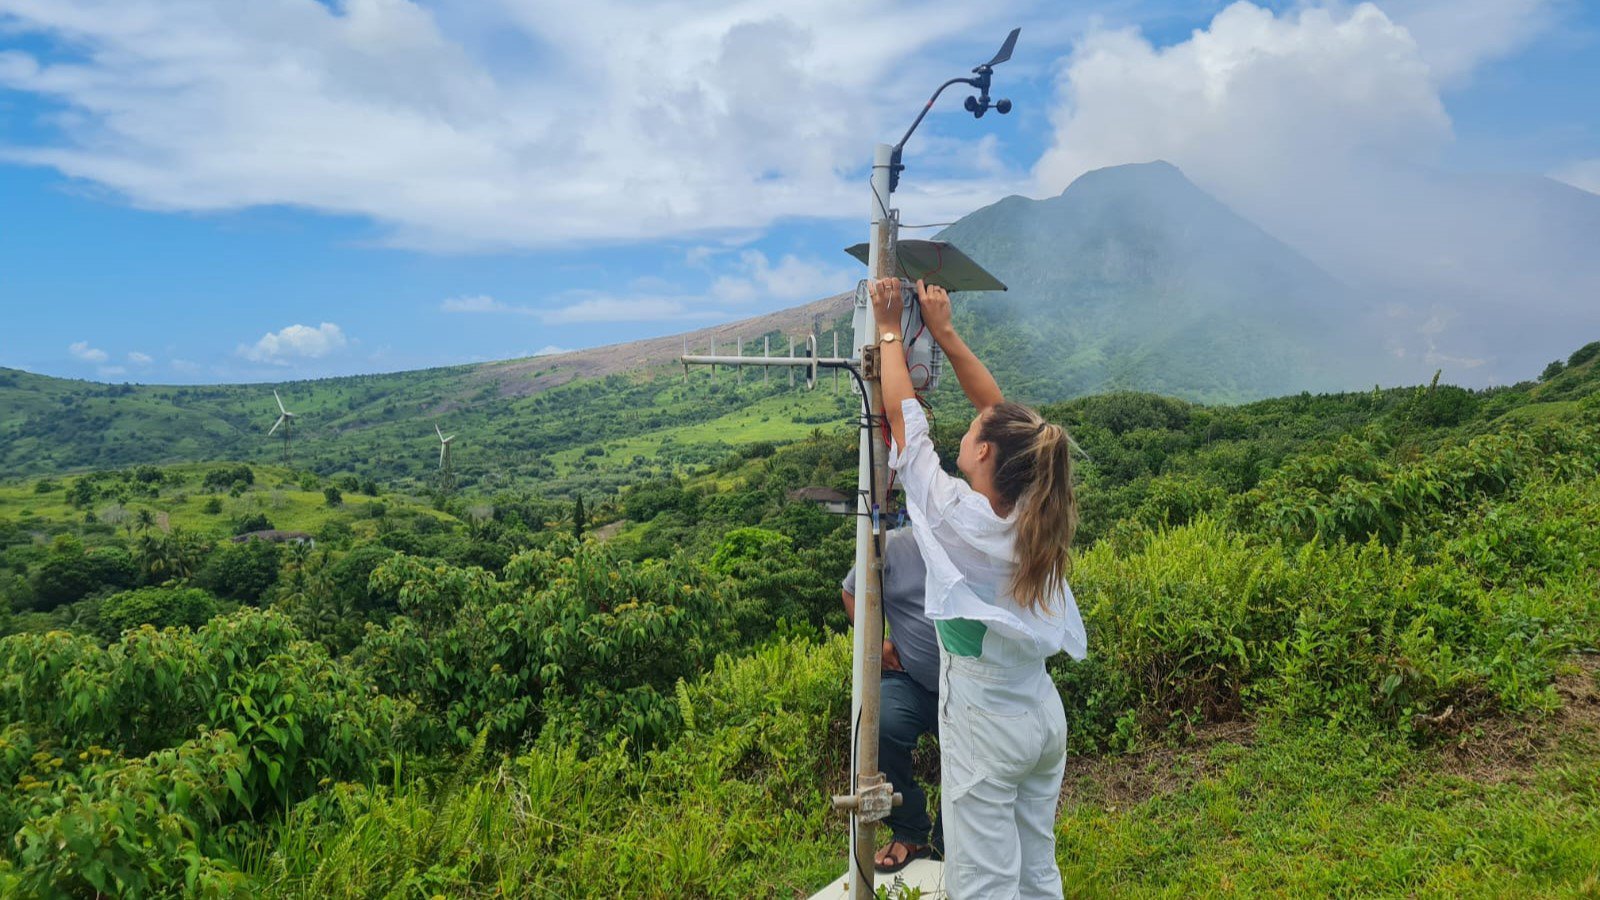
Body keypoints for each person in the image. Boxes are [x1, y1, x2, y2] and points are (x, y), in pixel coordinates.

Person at [870, 276, 1087, 899]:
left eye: (972, 434)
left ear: (986, 454)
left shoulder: (957, 518)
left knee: (982, 881)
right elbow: (1002, 419)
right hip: (1040, 712)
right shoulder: (1034, 508)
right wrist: (943, 332)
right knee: (1035, 867)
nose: (965, 430)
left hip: (988, 720)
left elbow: (906, 427)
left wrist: (890, 329)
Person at [841, 524, 942, 872]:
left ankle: (951, 842)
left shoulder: (970, 540)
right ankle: (911, 829)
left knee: (975, 752)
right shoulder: (895, 545)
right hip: (910, 679)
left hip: (967, 686)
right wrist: (878, 644)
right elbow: (850, 592)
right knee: (879, 725)